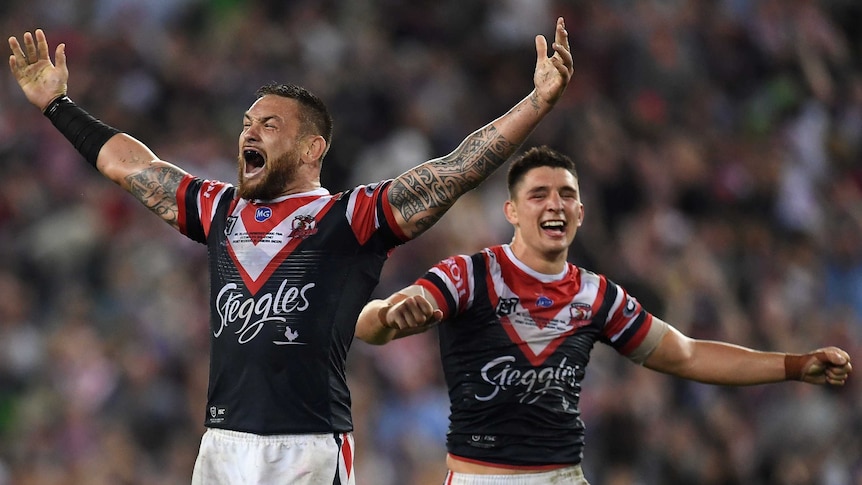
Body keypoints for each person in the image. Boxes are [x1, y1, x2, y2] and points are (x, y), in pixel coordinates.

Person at [7, 18, 574, 485]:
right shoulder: (220, 210)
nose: (249, 134)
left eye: (269, 125)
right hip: (222, 446)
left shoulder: (348, 218)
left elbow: (452, 172)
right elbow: (132, 167)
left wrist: (536, 103)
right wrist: (58, 106)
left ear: (312, 147)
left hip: (306, 448)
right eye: (247, 123)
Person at [355, 145, 853, 485]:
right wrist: (392, 313)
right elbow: (371, 325)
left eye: (567, 195)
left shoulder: (598, 296)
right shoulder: (469, 275)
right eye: (539, 195)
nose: (556, 204)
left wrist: (792, 365)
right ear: (511, 211)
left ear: (580, 213)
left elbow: (686, 355)